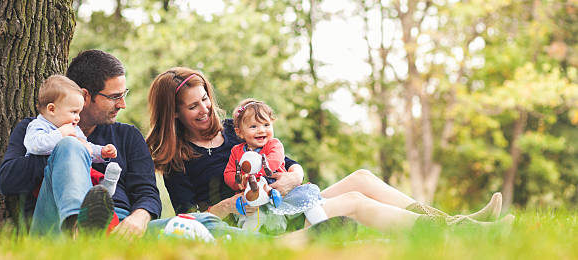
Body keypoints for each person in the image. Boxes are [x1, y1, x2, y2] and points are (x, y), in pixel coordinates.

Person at [146, 67, 512, 237]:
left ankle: (453, 221)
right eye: (192, 106)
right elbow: (193, 219)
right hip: (262, 225)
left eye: (205, 98)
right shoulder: (177, 160)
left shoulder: (233, 130)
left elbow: (290, 167)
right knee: (354, 199)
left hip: (288, 203)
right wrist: (242, 200)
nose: (205, 108)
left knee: (363, 178)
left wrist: (291, 177)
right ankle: (464, 234)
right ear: (174, 113)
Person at [0, 50, 161, 237]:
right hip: (57, 226)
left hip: (120, 226)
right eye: (115, 97)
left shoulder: (128, 135)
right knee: (70, 145)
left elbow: (147, 192)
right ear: (85, 96)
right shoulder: (37, 130)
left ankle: (101, 237)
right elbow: (7, 181)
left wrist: (138, 219)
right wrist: (62, 152)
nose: (122, 104)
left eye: (124, 94)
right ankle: (80, 228)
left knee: (195, 223)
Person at [223, 98, 326, 231]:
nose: (261, 130)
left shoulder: (274, 144)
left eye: (266, 125)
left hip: (281, 192)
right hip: (256, 196)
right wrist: (240, 180)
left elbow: (274, 161)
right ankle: (246, 240)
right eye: (253, 126)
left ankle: (323, 224)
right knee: (252, 217)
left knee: (307, 201)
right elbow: (229, 173)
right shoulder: (236, 151)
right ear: (239, 132)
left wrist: (254, 174)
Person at [24, 75, 120, 196]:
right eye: (74, 112)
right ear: (52, 109)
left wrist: (101, 152)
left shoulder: (74, 128)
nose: (78, 118)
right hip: (47, 178)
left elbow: (85, 146)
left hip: (74, 172)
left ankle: (103, 188)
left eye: (79, 112)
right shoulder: (39, 125)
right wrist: (60, 134)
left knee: (88, 171)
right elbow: (35, 145)